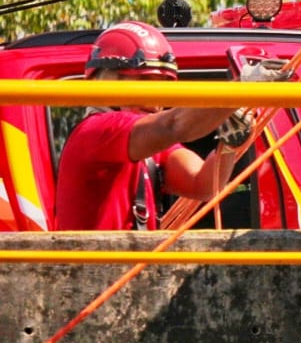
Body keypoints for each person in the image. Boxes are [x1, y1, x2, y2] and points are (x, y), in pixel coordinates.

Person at [55, 20, 250, 231]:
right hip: (100, 254)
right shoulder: (97, 131)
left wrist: (228, 145)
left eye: (162, 87)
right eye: (144, 82)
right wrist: (242, 88)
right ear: (107, 81)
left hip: (130, 253)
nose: (155, 100)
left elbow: (203, 184)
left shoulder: (145, 143)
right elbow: (174, 125)